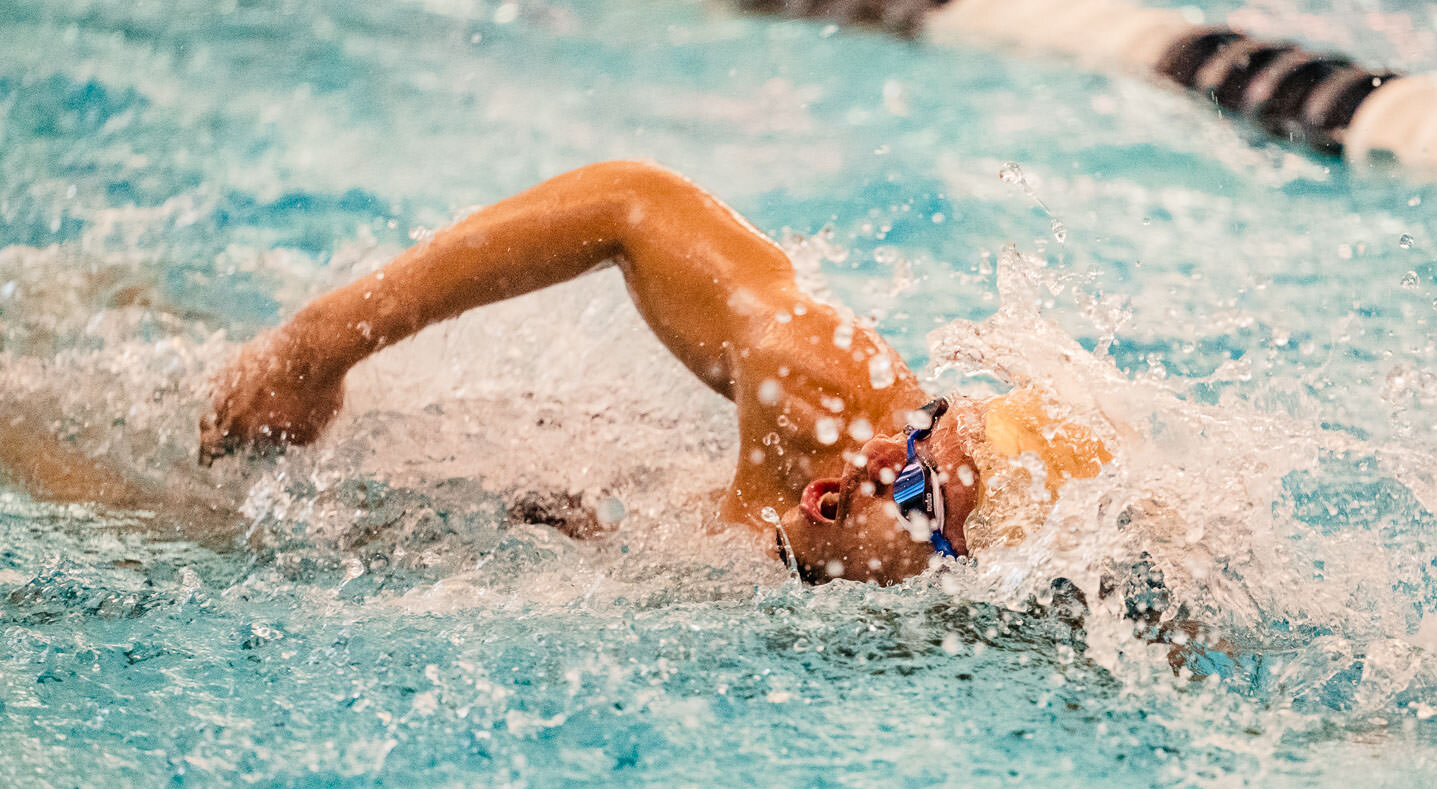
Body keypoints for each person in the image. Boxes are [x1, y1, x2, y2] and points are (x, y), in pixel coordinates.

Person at [199, 160, 1113, 586]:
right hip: (504, 504)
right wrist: (315, 348)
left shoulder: (996, 625)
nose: (879, 464)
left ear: (973, 571)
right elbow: (631, 205)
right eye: (919, 437)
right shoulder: (823, 398)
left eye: (918, 498)